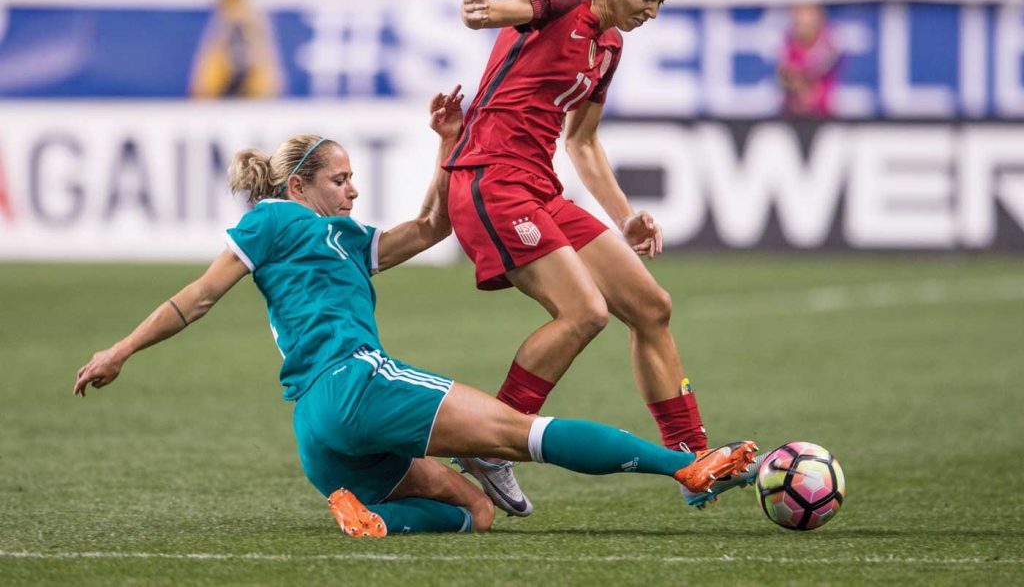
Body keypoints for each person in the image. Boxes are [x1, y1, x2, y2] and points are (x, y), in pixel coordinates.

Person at [72, 87, 757, 537]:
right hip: (357, 383)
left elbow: (431, 228)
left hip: (318, 431)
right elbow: (198, 297)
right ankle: (686, 467)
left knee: (476, 513)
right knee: (519, 433)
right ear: (297, 184)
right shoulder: (273, 219)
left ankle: (370, 513)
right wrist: (121, 349)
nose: (352, 189)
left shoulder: (345, 237)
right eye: (339, 180)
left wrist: (448, 143)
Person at [445, 0, 763, 514]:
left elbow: (583, 142)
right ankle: (489, 442)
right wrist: (478, 9)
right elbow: (499, 13)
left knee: (651, 307)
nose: (652, 12)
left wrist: (625, 217)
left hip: (538, 187)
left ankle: (695, 458)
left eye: (662, 3)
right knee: (585, 312)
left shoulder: (609, 45)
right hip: (492, 179)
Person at [189, 0, 283, 99]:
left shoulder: (245, 16)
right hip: (234, 80)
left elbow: (260, 54)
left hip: (252, 80)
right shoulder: (225, 17)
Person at [777, 3, 841, 118]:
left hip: (823, 115)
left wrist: (802, 79)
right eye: (797, 12)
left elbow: (821, 68)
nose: (801, 18)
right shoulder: (788, 42)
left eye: (806, 12)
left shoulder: (829, 40)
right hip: (792, 116)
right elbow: (786, 76)